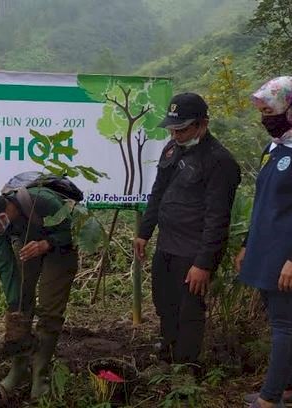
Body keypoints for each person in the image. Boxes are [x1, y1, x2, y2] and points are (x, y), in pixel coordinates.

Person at [134, 93, 241, 365]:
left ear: (202, 124)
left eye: (181, 129)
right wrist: (144, 233)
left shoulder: (219, 162)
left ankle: (186, 368)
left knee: (189, 310)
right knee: (164, 302)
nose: (175, 134)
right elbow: (157, 192)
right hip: (167, 243)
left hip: (193, 250)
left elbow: (218, 218)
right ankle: (168, 352)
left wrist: (203, 263)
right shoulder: (172, 149)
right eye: (172, 128)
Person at [0, 186, 77, 400]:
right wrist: (14, 305)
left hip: (61, 247)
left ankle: (40, 376)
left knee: (49, 310)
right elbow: (5, 264)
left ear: (1, 216)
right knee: (21, 307)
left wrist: (47, 244)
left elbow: (72, 232)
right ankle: (18, 370)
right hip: (28, 245)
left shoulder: (43, 202)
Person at [236, 76, 292, 408]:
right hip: (266, 249)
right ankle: (286, 388)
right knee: (281, 321)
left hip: (285, 256)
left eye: (271, 109)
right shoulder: (273, 149)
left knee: (285, 326)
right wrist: (247, 243)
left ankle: (270, 398)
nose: (265, 117)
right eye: (263, 110)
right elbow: (262, 203)